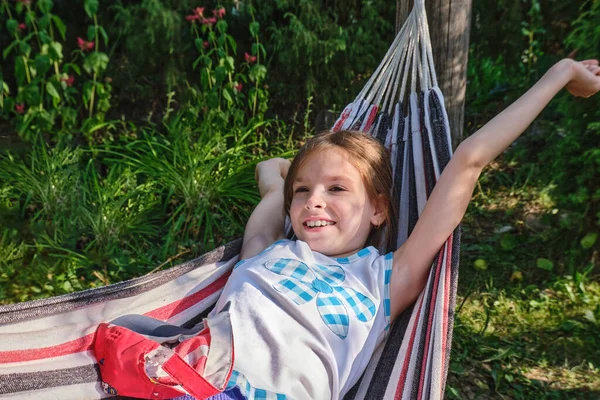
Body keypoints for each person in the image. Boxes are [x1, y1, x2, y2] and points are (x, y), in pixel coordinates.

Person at [165, 59, 600, 400]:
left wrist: (560, 74)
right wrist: (303, 169)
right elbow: (269, 174)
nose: (313, 200)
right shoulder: (264, 250)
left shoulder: (384, 278)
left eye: (337, 188)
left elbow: (470, 159)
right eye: (303, 191)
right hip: (180, 379)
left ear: (378, 209)